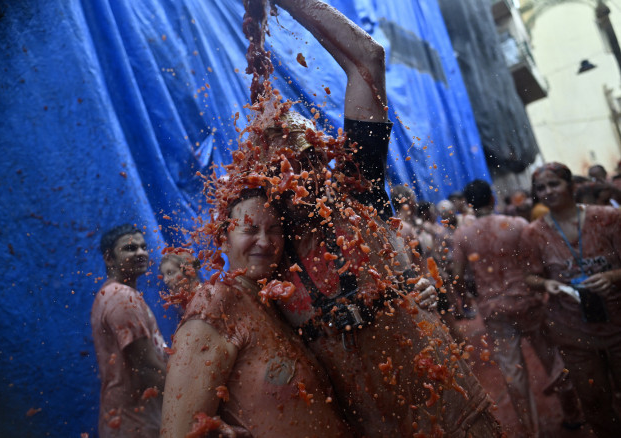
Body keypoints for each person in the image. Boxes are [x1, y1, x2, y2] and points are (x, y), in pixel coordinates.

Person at [242, 1, 502, 436]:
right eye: (275, 155)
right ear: (260, 179)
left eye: (299, 144)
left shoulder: (356, 194)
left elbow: (368, 57)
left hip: (454, 413)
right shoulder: (266, 259)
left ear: (320, 154)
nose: (289, 158)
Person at [160, 190, 352, 437]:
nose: (264, 241)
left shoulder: (276, 302)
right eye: (250, 230)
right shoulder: (215, 303)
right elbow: (177, 432)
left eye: (274, 230)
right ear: (223, 241)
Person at [453, 180, 581, 437]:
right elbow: (539, 262)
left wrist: (466, 298)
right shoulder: (518, 225)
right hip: (528, 302)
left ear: (468, 204)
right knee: (554, 361)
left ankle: (531, 431)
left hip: (494, 310)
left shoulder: (462, 235)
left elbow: (456, 277)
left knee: (513, 375)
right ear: (492, 198)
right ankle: (573, 416)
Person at [520, 162, 621, 438]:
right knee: (592, 398)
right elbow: (529, 276)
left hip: (617, 322)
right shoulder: (534, 233)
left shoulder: (609, 218)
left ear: (571, 186)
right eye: (541, 187)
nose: (548, 191)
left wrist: (611, 277)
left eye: (555, 184)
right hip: (572, 329)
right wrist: (546, 283)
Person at [91, 224, 168, 437]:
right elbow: (146, 367)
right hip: (134, 425)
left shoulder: (114, 294)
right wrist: (192, 401)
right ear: (109, 258)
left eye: (144, 247)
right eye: (130, 248)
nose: (141, 252)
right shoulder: (121, 297)